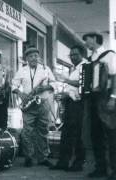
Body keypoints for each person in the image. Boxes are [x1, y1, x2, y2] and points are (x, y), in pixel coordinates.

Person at [11, 46, 56, 167]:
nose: (34, 58)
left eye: (36, 56)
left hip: (42, 103)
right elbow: (13, 85)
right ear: (26, 59)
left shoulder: (46, 69)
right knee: (27, 132)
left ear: (39, 57)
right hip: (28, 104)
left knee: (43, 131)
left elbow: (54, 83)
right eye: (31, 56)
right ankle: (28, 157)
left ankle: (43, 157)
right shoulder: (22, 70)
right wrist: (21, 94)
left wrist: (45, 87)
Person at [82, 32, 116, 179]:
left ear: (95, 39)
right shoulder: (90, 59)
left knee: (111, 135)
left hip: (106, 98)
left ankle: (114, 171)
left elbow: (115, 78)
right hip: (92, 100)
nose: (85, 43)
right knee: (95, 135)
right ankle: (100, 168)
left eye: (87, 40)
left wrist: (113, 98)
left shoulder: (109, 55)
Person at [50, 45, 87, 171]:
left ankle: (78, 163)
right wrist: (64, 95)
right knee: (66, 134)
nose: (72, 57)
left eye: (75, 54)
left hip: (79, 105)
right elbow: (72, 88)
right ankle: (63, 162)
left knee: (77, 135)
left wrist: (66, 80)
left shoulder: (85, 66)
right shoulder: (74, 68)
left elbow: (83, 84)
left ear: (82, 54)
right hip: (70, 104)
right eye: (71, 55)